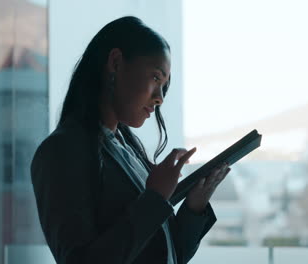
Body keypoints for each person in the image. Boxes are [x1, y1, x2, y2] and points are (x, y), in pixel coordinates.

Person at [30, 16, 231, 264]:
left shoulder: (127, 150)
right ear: (115, 63)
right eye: (156, 78)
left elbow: (166, 254)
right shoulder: (61, 151)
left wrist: (193, 207)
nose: (160, 98)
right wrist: (155, 198)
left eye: (164, 85)